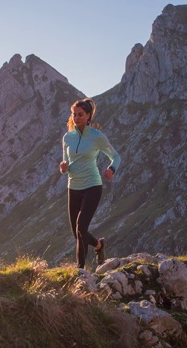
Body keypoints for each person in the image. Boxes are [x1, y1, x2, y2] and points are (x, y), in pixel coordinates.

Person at [59, 98, 120, 270]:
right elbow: (66, 163)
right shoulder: (67, 137)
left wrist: (111, 169)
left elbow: (115, 156)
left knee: (81, 228)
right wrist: (63, 168)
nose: (76, 118)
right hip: (73, 187)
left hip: (92, 185)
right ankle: (99, 245)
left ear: (88, 116)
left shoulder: (96, 136)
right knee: (77, 233)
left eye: (80, 115)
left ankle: (80, 270)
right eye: (74, 114)